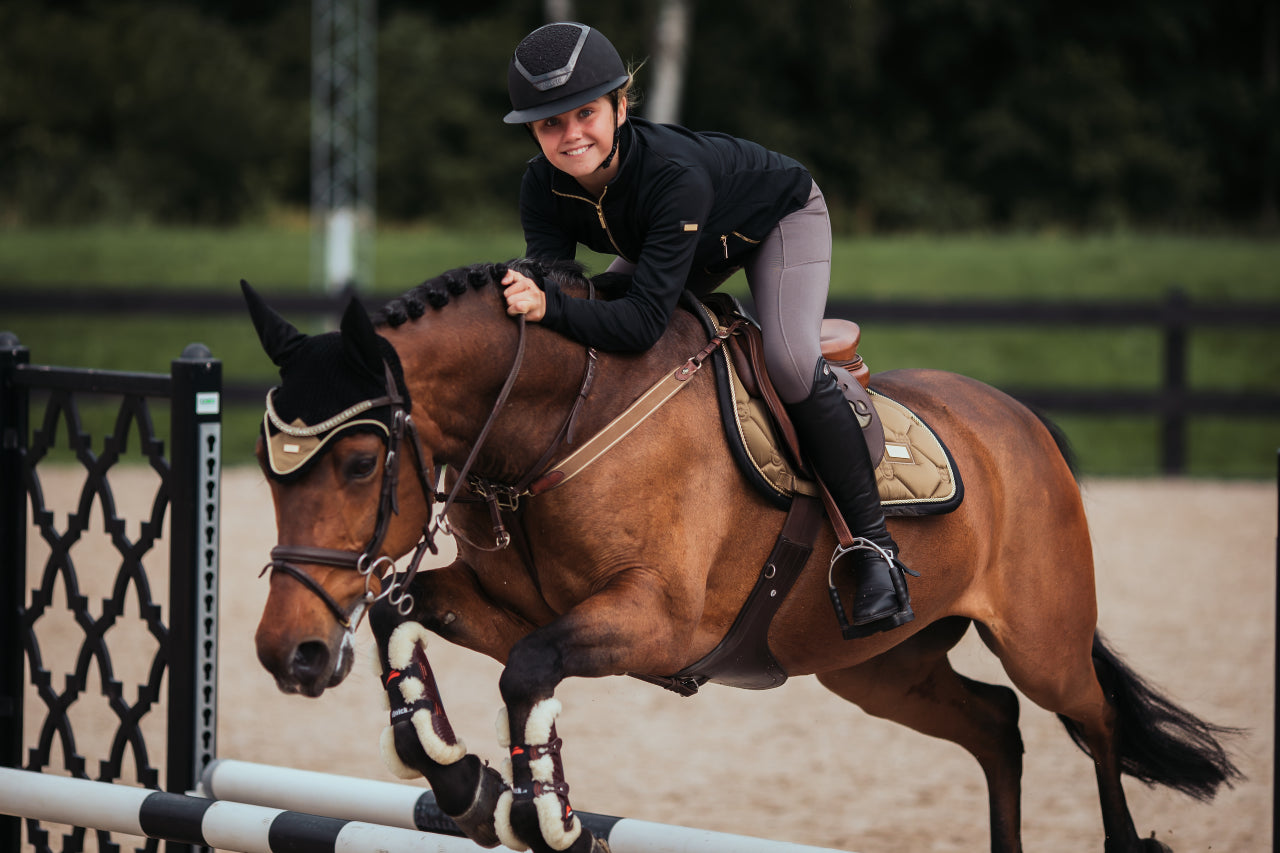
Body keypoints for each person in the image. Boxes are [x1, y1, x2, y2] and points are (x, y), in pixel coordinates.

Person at [499, 21, 912, 637]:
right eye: (550, 123)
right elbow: (557, 287)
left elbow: (639, 323)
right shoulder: (541, 183)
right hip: (675, 240)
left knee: (791, 365)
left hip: (776, 221)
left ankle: (876, 551)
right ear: (533, 131)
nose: (571, 135)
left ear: (621, 107)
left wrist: (550, 308)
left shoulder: (672, 172)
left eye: (586, 113)